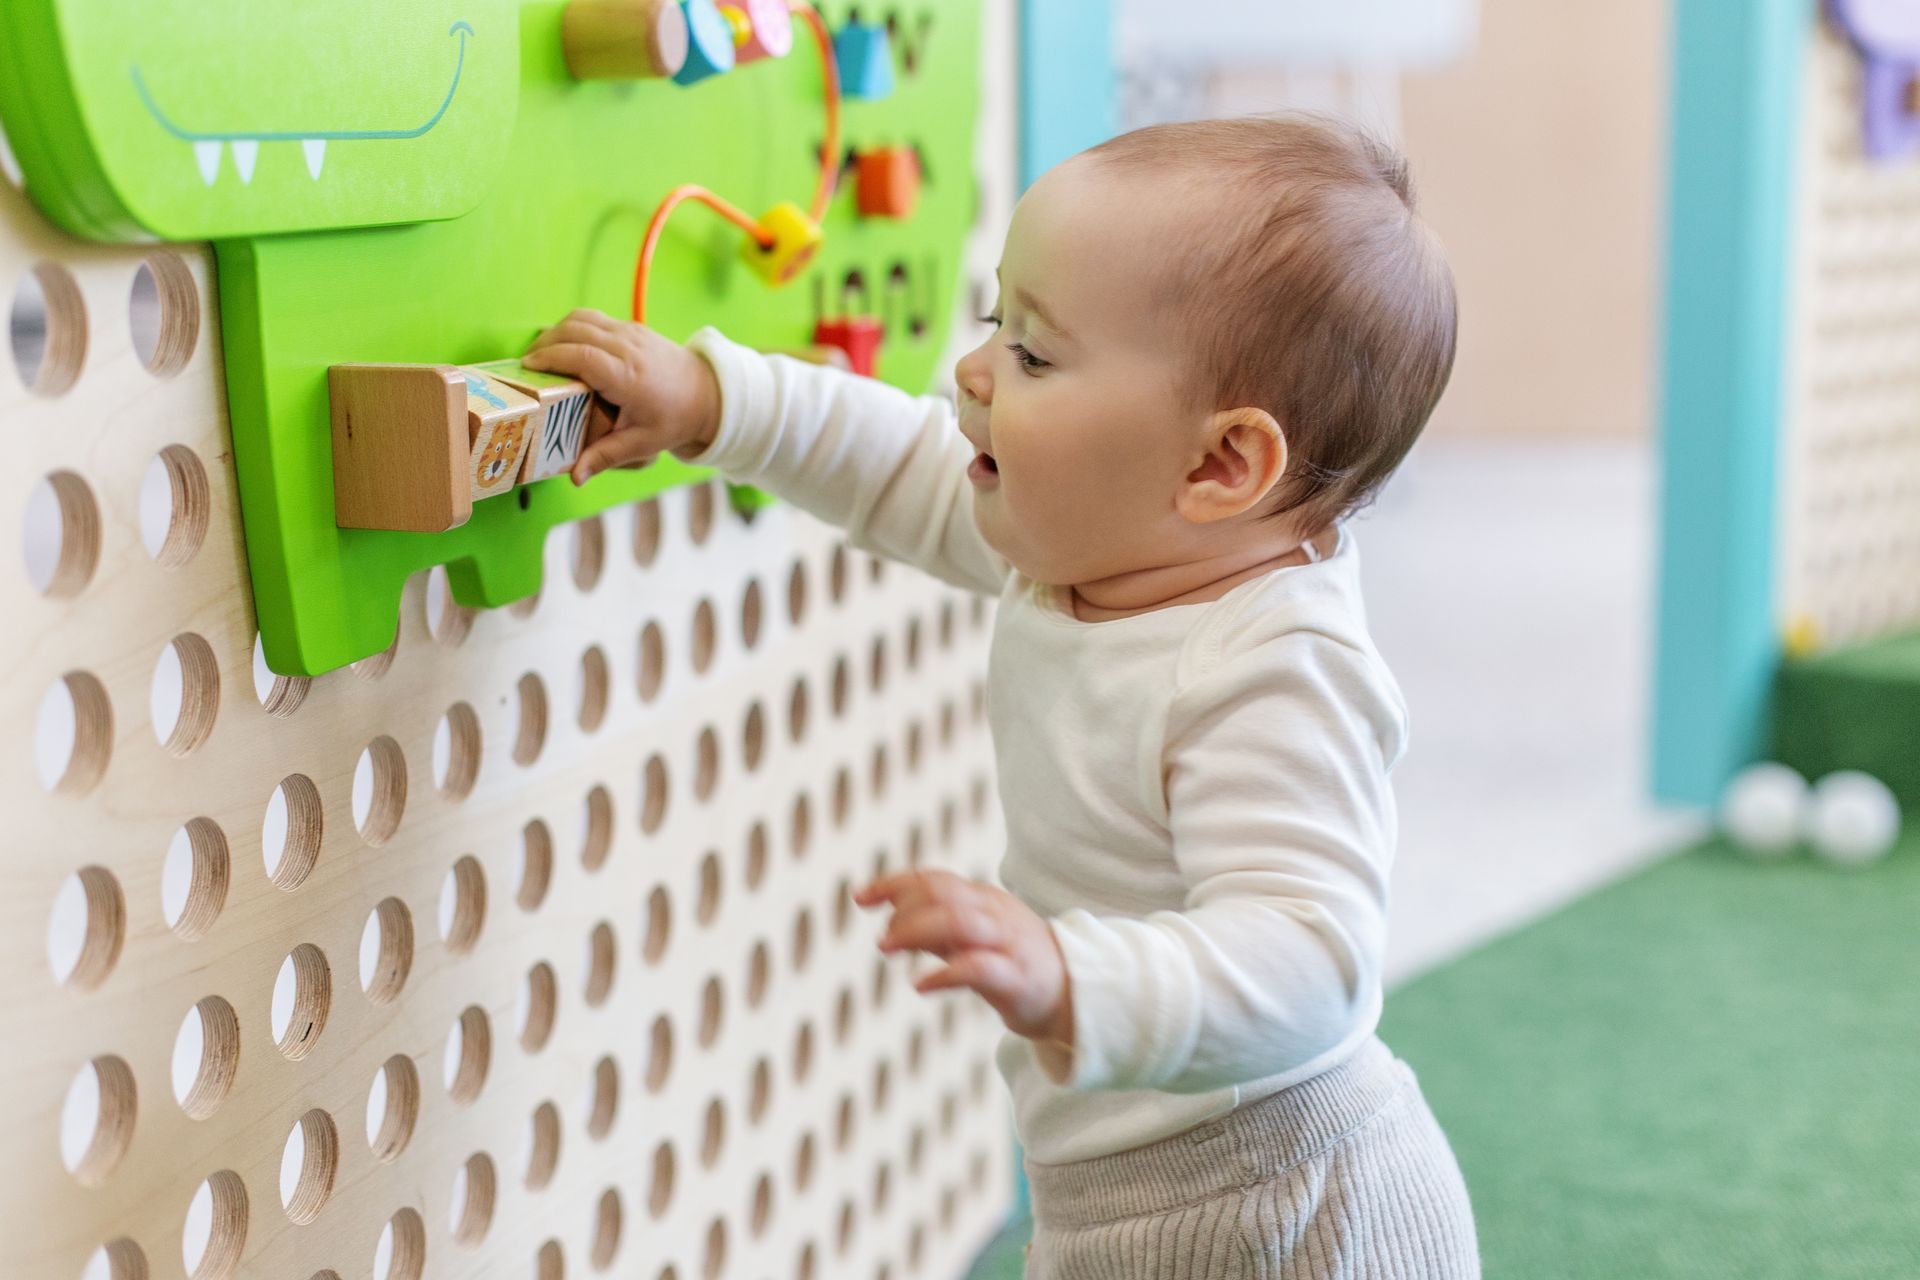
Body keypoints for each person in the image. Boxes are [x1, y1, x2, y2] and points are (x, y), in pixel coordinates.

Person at [523, 112, 1477, 1279]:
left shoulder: (1272, 664)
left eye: (1033, 355)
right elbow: (898, 463)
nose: (974, 373)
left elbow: (1312, 958)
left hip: (1277, 1210)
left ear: (1221, 466)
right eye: (997, 325)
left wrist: (1074, 972)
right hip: (1115, 1192)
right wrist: (719, 404)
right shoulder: (1096, 540)